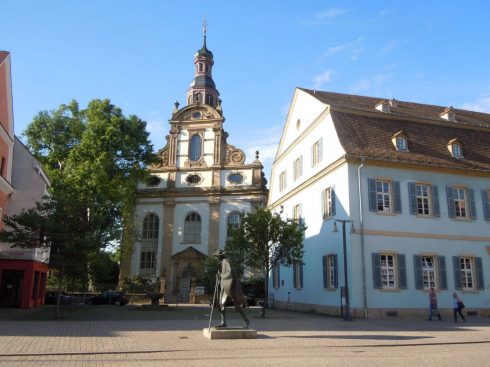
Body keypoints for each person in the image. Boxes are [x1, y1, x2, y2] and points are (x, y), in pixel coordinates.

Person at [213, 249, 249, 328]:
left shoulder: (226, 262)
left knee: (236, 304)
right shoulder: (220, 263)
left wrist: (221, 276)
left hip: (230, 285)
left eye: (217, 256)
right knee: (221, 304)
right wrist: (218, 276)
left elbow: (230, 273)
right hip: (224, 285)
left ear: (221, 256)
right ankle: (223, 322)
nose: (217, 258)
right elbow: (221, 274)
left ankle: (246, 320)